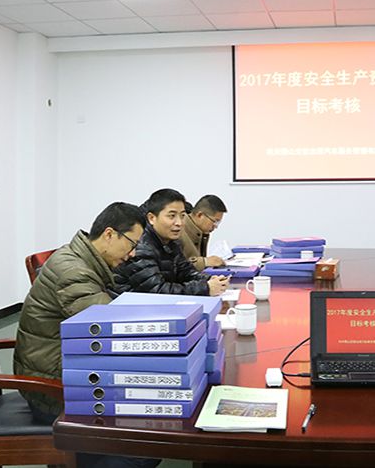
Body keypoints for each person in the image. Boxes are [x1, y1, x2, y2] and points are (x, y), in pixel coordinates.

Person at [13, 202, 160, 468]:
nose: (132, 254)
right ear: (109, 234)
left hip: (63, 369)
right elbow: (108, 329)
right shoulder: (74, 271)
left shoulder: (82, 259)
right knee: (144, 445)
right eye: (131, 244)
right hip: (51, 389)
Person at [115, 189, 229, 296]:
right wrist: (205, 288)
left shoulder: (171, 241)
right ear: (152, 218)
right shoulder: (141, 246)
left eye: (182, 216)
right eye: (172, 216)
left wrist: (211, 279)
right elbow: (157, 291)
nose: (179, 223)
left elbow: (186, 272)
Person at [181, 194, 228, 271]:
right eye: (215, 221)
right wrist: (205, 262)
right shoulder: (179, 231)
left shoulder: (201, 232)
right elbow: (177, 266)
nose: (216, 226)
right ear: (200, 215)